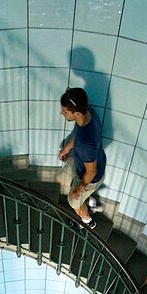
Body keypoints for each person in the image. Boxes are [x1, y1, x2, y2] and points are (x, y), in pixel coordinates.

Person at [57, 87, 106, 230]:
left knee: (73, 202)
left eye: (65, 111)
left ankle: (87, 221)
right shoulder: (89, 114)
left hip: (89, 176)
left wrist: (78, 189)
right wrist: (67, 148)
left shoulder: (85, 144)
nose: (62, 113)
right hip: (92, 164)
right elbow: (80, 133)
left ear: (77, 113)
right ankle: (91, 202)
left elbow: (90, 172)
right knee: (74, 188)